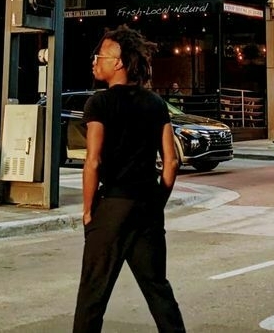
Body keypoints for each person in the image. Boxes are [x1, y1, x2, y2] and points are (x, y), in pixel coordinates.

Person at [72, 25, 186, 333]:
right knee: (157, 288)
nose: (95, 60)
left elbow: (93, 160)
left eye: (101, 55)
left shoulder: (100, 103)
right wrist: (156, 201)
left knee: (93, 293)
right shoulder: (156, 103)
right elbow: (171, 162)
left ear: (119, 62)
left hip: (113, 205)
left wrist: (87, 210)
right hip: (147, 203)